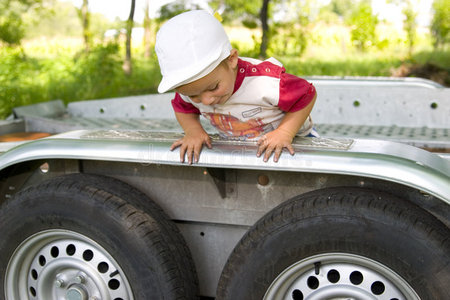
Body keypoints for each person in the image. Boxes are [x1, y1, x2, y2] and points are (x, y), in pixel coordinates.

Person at [155, 10, 317, 164]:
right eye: (194, 96)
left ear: (232, 59)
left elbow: (306, 94)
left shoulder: (265, 82)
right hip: (241, 146)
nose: (206, 100)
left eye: (213, 87)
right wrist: (193, 131)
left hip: (296, 142)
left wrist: (285, 133)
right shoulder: (191, 88)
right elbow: (182, 107)